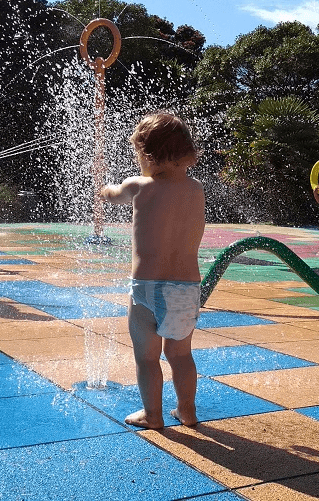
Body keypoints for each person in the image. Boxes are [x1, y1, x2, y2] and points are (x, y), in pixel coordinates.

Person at [99, 112, 205, 429]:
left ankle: (153, 415)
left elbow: (113, 195)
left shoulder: (139, 186)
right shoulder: (195, 189)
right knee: (180, 355)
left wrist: (103, 187)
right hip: (186, 288)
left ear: (147, 154)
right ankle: (187, 411)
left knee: (147, 357)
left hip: (146, 286)